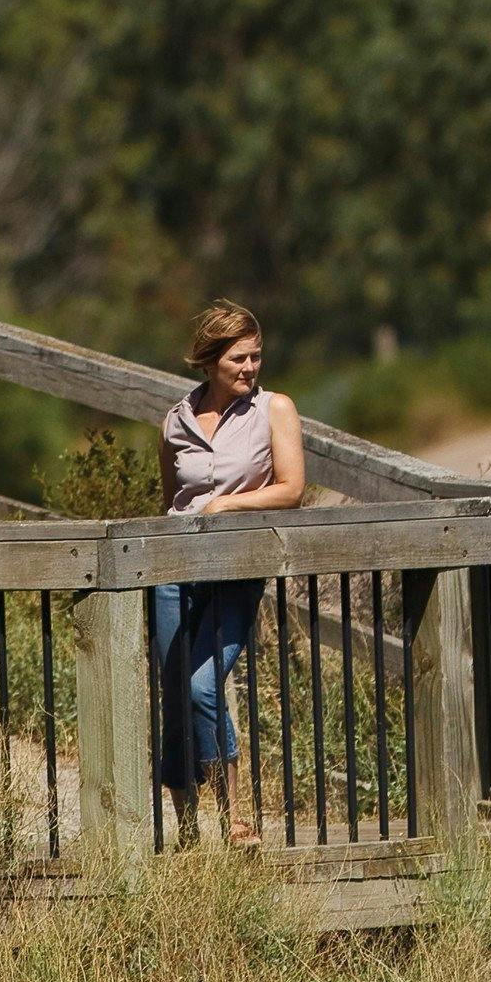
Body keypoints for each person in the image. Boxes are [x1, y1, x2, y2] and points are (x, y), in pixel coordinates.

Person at [155, 299, 305, 841]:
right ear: (210, 361)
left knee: (202, 686)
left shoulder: (274, 410)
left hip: (237, 569)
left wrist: (228, 506)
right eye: (238, 359)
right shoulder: (176, 419)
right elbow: (171, 501)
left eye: (256, 357)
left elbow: (291, 489)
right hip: (174, 571)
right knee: (174, 692)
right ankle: (187, 826)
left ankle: (233, 814)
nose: (249, 368)